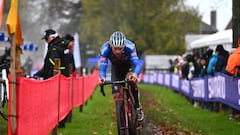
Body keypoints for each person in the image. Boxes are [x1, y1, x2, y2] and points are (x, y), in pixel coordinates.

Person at [98, 31, 144, 123]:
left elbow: (137, 65)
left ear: (124, 46)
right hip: (116, 68)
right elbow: (103, 67)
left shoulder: (130, 47)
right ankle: (121, 115)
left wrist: (135, 74)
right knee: (116, 94)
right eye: (115, 49)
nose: (118, 52)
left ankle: (138, 107)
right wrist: (102, 77)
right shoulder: (105, 49)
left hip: (129, 67)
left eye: (120, 48)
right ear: (111, 46)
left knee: (131, 81)